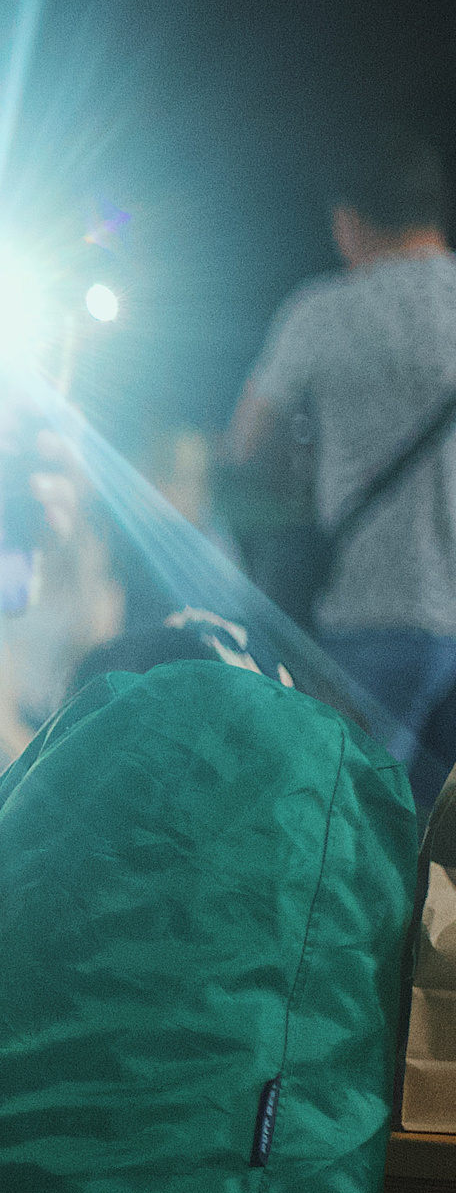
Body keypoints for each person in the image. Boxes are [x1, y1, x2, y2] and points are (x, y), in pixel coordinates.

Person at [228, 124, 456, 796]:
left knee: (342, 824)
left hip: (369, 616)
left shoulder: (321, 314)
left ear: (348, 222)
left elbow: (243, 445)